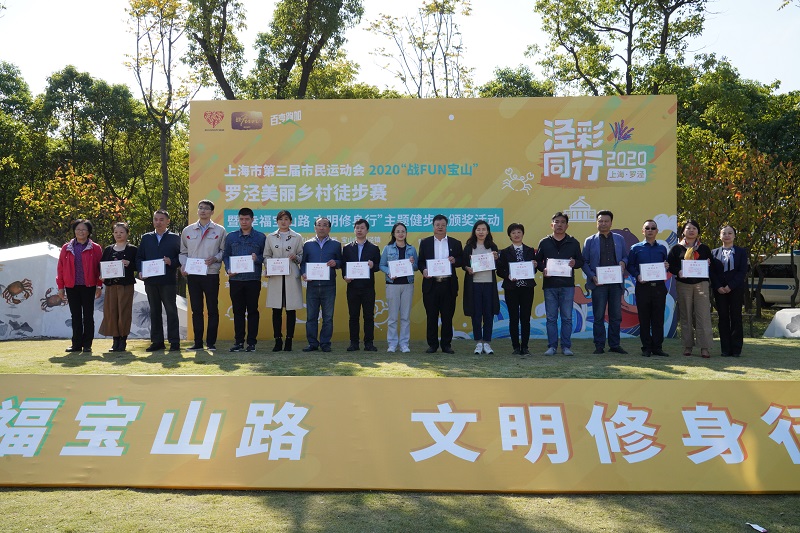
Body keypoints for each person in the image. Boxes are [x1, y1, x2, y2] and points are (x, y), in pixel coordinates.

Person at [179, 199, 226, 351]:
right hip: (193, 275)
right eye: (200, 208)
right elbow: (183, 252)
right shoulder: (188, 230)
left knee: (212, 309)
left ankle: (211, 343)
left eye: (206, 208)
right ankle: (198, 343)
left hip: (211, 274)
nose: (203, 210)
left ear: (212, 212)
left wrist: (215, 258)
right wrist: (184, 265)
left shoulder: (220, 230)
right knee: (196, 310)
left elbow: (224, 251)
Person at [535, 212, 584, 356]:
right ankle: (552, 346)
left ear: (567, 226)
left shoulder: (573, 242)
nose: (559, 225)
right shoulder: (544, 242)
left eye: (562, 222)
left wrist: (575, 263)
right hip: (550, 285)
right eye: (556, 222)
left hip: (567, 285)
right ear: (552, 225)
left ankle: (566, 346)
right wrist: (543, 269)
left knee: (567, 317)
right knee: (551, 318)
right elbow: (538, 261)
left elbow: (581, 261)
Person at [582, 210, 629, 355]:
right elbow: (584, 262)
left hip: (616, 284)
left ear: (611, 223)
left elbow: (626, 257)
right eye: (600, 221)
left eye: (606, 221)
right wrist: (592, 276)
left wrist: (623, 262)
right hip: (598, 284)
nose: (603, 224)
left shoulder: (619, 239)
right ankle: (599, 345)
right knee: (598, 316)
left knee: (616, 316)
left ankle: (614, 345)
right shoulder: (590, 240)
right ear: (596, 222)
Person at [136, 209, 182, 352]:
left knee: (171, 311)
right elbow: (139, 257)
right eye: (156, 219)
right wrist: (141, 271)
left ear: (168, 221)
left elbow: (181, 257)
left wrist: (171, 262)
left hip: (168, 280)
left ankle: (174, 342)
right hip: (150, 281)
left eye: (161, 219)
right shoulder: (146, 238)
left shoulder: (175, 238)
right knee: (154, 311)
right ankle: (157, 342)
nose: (158, 222)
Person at [417, 214, 463, 354]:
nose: (440, 227)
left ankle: (446, 345)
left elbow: (462, 260)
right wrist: (424, 270)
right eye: (437, 225)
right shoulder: (425, 243)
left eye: (443, 225)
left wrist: (455, 260)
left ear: (446, 226)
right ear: (433, 226)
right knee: (431, 316)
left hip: (448, 284)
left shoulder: (455, 243)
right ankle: (432, 344)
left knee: (447, 316)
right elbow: (420, 262)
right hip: (431, 285)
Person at [667, 219, 713, 358]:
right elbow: (670, 265)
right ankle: (688, 346)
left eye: (694, 228)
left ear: (698, 231)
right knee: (685, 314)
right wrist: (678, 271)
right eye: (688, 228)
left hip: (701, 284)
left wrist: (709, 263)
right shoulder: (676, 248)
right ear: (683, 232)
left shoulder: (704, 248)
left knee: (703, 315)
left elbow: (711, 264)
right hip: (683, 285)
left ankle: (704, 347)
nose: (691, 231)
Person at [223, 208, 266, 353]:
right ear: (238, 219)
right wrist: (228, 269)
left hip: (253, 279)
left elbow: (266, 256)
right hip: (236, 280)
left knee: (253, 311)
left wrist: (257, 258)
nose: (244, 222)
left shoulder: (260, 237)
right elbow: (226, 255)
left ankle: (252, 342)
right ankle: (239, 342)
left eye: (247, 219)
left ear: (252, 220)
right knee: (238, 311)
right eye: (241, 219)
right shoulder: (231, 237)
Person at [56, 219, 103, 352]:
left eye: (83, 229)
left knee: (88, 316)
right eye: (78, 229)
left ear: (89, 232)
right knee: (75, 316)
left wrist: (99, 285)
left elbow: (100, 268)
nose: (80, 232)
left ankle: (87, 345)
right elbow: (60, 268)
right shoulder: (66, 247)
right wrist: (61, 287)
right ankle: (76, 344)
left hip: (89, 286)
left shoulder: (95, 248)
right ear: (74, 231)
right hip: (72, 286)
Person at [626, 220, 670, 357]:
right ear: (643, 231)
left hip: (659, 287)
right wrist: (637, 275)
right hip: (643, 287)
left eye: (653, 228)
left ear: (657, 231)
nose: (650, 230)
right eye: (647, 228)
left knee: (658, 318)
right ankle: (646, 347)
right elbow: (630, 266)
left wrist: (666, 266)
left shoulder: (662, 248)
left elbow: (665, 264)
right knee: (644, 318)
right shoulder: (635, 248)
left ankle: (657, 347)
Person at [263, 210, 304, 352]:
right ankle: (278, 340)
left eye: (286, 219)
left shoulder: (297, 237)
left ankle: (289, 340)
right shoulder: (270, 237)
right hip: (276, 275)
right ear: (277, 221)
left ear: (290, 221)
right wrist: (269, 266)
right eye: (281, 219)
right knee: (276, 309)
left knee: (291, 309)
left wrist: (296, 257)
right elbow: (266, 256)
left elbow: (302, 256)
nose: (283, 222)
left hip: (291, 275)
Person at [300, 217, 342, 352]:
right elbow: (303, 263)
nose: (322, 227)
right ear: (315, 228)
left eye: (325, 225)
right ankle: (312, 343)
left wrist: (336, 263)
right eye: (319, 225)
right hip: (312, 286)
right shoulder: (308, 244)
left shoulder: (336, 244)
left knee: (328, 317)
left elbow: (341, 262)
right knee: (311, 317)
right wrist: (304, 273)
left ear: (329, 228)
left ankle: (325, 343)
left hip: (329, 286)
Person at [497, 222, 537, 355]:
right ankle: (515, 346)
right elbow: (499, 270)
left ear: (523, 234)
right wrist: (508, 276)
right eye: (513, 233)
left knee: (525, 318)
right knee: (513, 318)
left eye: (519, 232)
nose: (516, 235)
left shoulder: (530, 250)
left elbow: (534, 271)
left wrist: (534, 266)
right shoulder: (505, 252)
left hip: (527, 288)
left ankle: (525, 346)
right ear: (509, 236)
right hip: (511, 288)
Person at [342, 218, 382, 351]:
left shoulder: (374, 248)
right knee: (353, 316)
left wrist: (373, 265)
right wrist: (345, 276)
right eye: (357, 228)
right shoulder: (347, 248)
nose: (359, 230)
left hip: (368, 288)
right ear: (354, 230)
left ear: (367, 230)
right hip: (352, 287)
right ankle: (354, 343)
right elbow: (344, 266)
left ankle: (369, 343)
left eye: (362, 228)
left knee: (368, 316)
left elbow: (378, 266)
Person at [462, 220, 500, 355]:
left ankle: (487, 343)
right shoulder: (469, 247)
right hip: (474, 285)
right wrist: (467, 268)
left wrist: (497, 258)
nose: (481, 232)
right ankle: (478, 342)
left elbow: (498, 266)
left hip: (489, 284)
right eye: (478, 229)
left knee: (488, 314)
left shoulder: (492, 246)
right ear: (474, 231)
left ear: (488, 231)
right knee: (476, 314)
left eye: (484, 229)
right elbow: (463, 264)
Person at [98, 222, 138, 352]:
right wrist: (102, 275)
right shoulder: (108, 249)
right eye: (116, 232)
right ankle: (115, 340)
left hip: (125, 285)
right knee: (111, 311)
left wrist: (129, 264)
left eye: (121, 232)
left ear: (127, 233)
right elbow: (102, 265)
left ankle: (123, 340)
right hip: (111, 286)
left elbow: (138, 266)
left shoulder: (132, 249)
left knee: (124, 312)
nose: (118, 235)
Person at [379, 222, 418, 353]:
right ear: (393, 234)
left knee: (405, 317)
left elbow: (416, 267)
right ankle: (392, 344)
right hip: (392, 285)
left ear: (406, 233)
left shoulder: (412, 249)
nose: (401, 234)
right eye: (398, 231)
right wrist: (389, 272)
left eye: (403, 231)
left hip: (407, 284)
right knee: (393, 317)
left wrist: (412, 263)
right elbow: (381, 265)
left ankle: (404, 344)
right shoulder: (388, 248)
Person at [710, 225, 749, 358]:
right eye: (724, 233)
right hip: (719, 290)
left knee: (736, 317)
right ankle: (725, 349)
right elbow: (712, 272)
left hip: (736, 289)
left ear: (734, 236)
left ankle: (736, 349)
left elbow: (742, 271)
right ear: (720, 236)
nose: (727, 235)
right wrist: (718, 286)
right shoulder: (714, 252)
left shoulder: (741, 252)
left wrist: (730, 286)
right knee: (723, 318)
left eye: (730, 233)